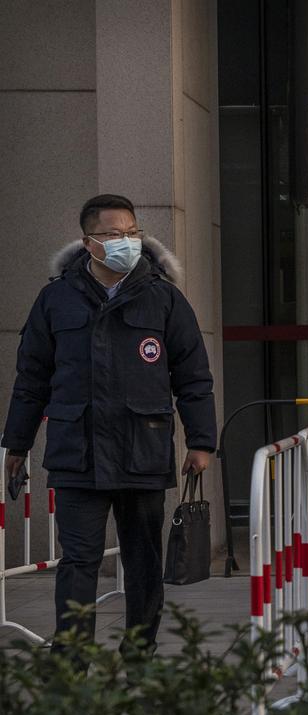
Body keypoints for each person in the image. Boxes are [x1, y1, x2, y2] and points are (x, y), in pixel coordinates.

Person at [2, 194, 216, 652]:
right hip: (77, 453)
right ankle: (72, 661)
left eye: (132, 233)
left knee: (143, 559)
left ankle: (139, 651)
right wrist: (16, 445)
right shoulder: (55, 299)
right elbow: (31, 379)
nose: (126, 242)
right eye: (114, 234)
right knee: (78, 561)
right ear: (89, 242)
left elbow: (193, 375)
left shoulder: (163, 297)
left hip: (143, 449)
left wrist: (202, 442)